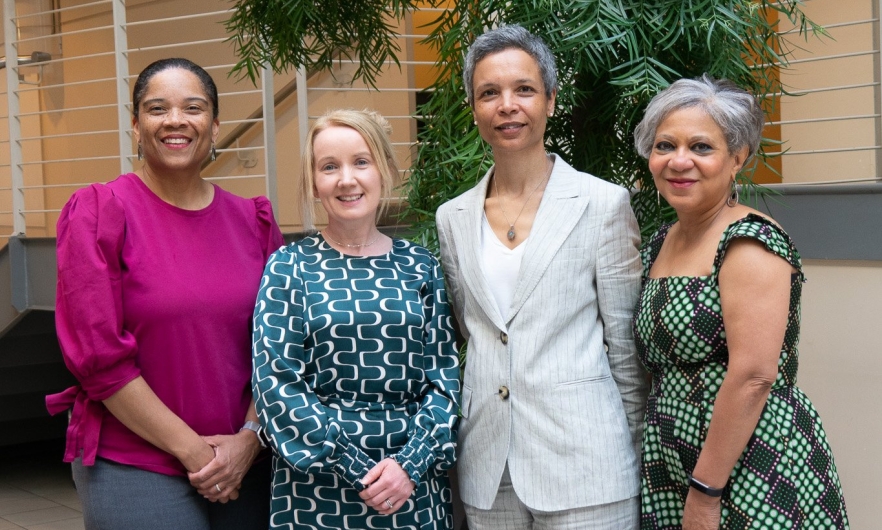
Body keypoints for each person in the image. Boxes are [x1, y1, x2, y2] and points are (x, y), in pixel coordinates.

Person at [46, 58, 284, 529]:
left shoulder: (252, 221)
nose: (176, 120)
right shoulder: (98, 213)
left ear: (214, 125)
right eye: (157, 109)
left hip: (245, 460)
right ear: (136, 125)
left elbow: (278, 345)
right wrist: (197, 453)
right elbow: (100, 360)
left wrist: (250, 439)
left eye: (192, 107)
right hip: (135, 463)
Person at [435, 24, 648, 529]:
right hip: (490, 470)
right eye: (489, 93)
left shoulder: (603, 204)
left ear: (550, 100)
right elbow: (474, 330)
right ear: (474, 108)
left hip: (587, 465)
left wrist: (629, 451)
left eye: (523, 89)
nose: (507, 104)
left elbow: (624, 346)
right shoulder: (454, 217)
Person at [632, 74, 850, 529]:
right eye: (665, 145)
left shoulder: (750, 240)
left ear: (737, 158)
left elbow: (753, 376)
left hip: (749, 462)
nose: (679, 161)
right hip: (673, 460)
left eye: (701, 148)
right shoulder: (660, 242)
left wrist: (707, 494)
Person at [252, 108, 461, 529]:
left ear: (383, 169)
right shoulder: (288, 267)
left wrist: (408, 465)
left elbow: (445, 379)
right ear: (314, 182)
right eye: (330, 167)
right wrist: (355, 466)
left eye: (360, 162)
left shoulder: (420, 265)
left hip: (412, 490)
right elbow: (275, 385)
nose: (346, 179)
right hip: (315, 492)